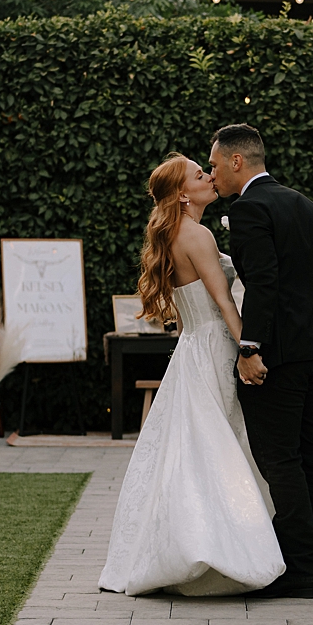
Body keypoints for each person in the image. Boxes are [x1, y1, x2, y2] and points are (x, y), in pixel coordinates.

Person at [99, 154, 285, 597]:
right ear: (183, 193)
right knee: (220, 446)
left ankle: (187, 543)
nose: (209, 177)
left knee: (195, 448)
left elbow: (188, 315)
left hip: (191, 350)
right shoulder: (197, 234)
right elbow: (224, 303)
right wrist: (248, 350)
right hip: (215, 348)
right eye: (200, 175)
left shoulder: (175, 234)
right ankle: (218, 548)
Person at [210, 124, 313, 599]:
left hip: (281, 357)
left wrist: (250, 349)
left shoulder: (248, 208)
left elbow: (263, 284)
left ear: (236, 161)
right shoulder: (305, 204)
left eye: (214, 165)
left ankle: (299, 570)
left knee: (281, 459)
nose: (213, 174)